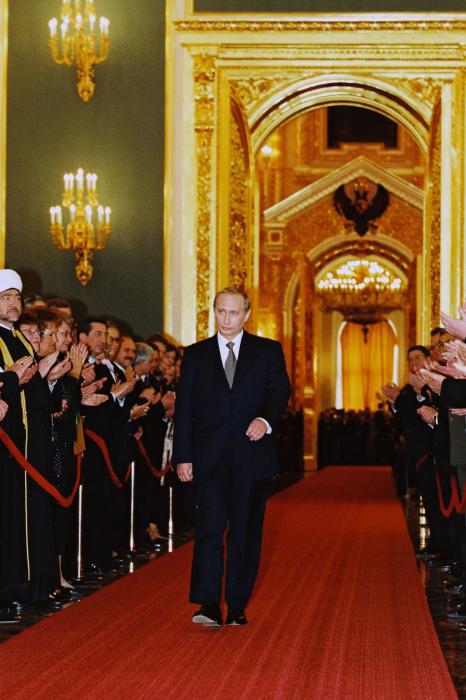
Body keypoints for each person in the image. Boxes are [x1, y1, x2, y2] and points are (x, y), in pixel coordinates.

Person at [174, 286, 290, 627]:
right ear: (214, 311)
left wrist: (265, 420)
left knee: (244, 533)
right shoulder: (195, 355)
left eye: (234, 313)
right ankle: (208, 603)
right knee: (209, 530)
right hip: (208, 457)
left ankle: (237, 604)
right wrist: (183, 456)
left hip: (251, 457)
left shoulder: (267, 351)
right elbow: (185, 409)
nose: (226, 319)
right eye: (221, 311)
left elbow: (279, 391)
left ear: (246, 315)